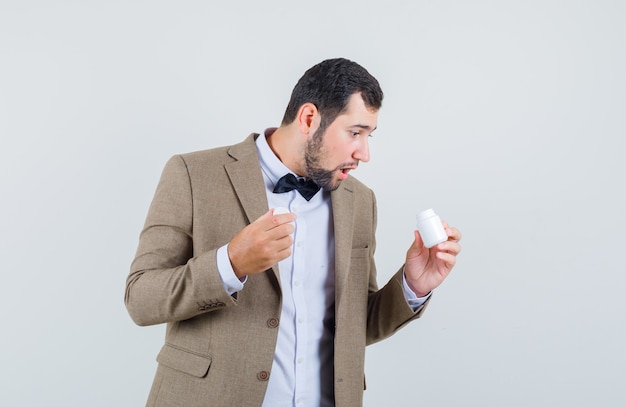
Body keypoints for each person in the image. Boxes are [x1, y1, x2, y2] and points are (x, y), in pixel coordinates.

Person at [125, 57, 462, 407]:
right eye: (355, 132)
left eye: (369, 136)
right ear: (308, 118)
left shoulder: (359, 201)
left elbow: (354, 327)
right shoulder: (193, 174)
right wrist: (231, 263)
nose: (364, 153)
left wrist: (413, 285)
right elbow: (141, 298)